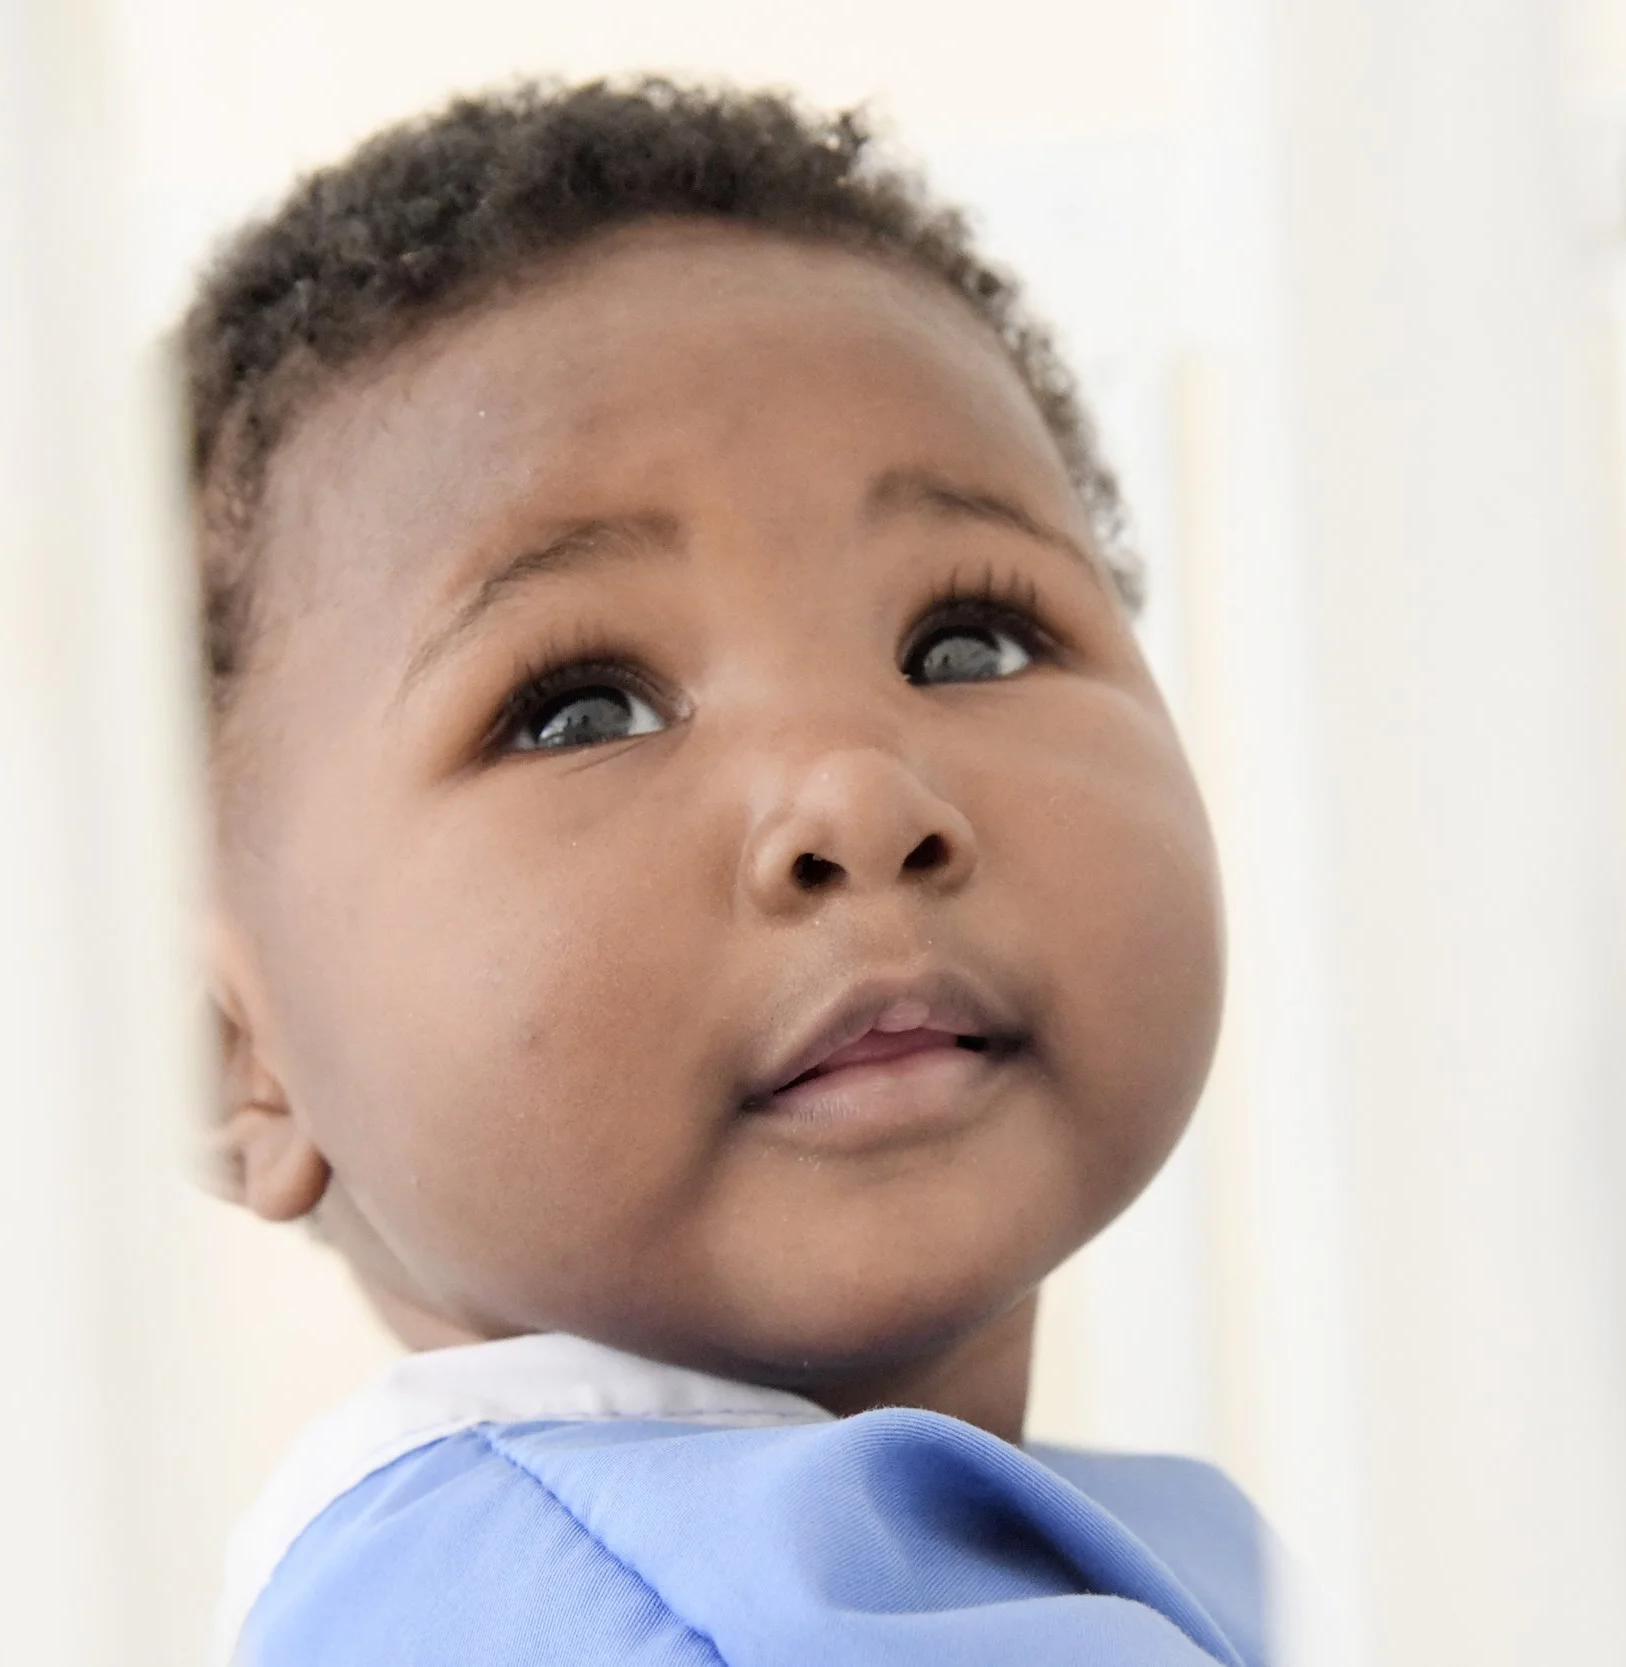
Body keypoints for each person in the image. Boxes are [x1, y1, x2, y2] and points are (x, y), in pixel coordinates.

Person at [187, 77, 1268, 1665]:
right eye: (580, 709)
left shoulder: (1076, 1545)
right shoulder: (555, 1605)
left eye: (966, 639)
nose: (859, 793)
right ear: (237, 1056)